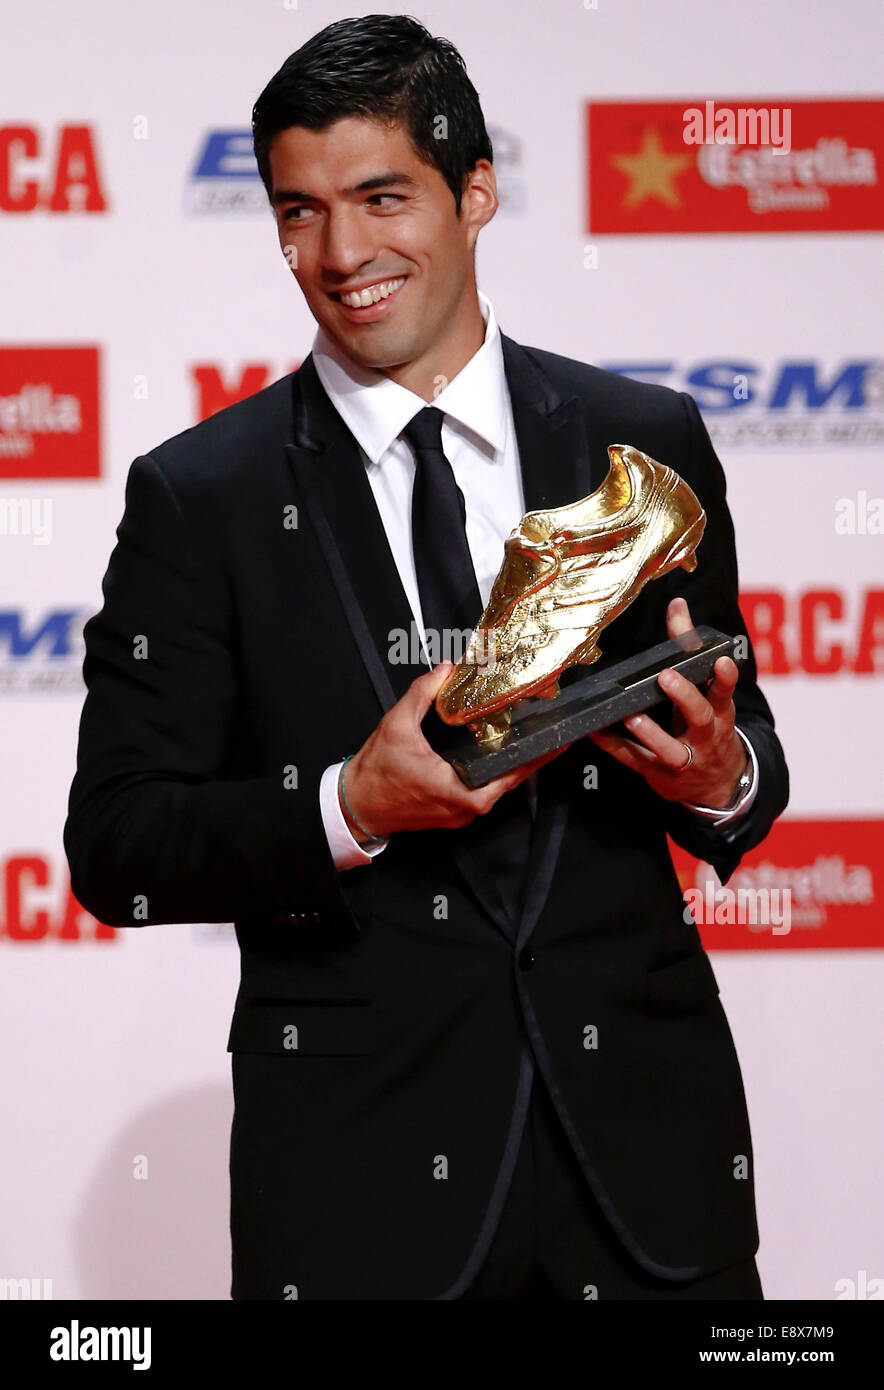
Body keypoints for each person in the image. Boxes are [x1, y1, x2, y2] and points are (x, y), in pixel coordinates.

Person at [64, 14, 789, 1300]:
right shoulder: (202, 497)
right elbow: (118, 845)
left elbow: (748, 765)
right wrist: (347, 806)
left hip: (646, 1183)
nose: (339, 254)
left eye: (380, 196)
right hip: (361, 1202)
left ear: (475, 192)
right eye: (298, 210)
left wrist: (716, 775)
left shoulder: (642, 439)